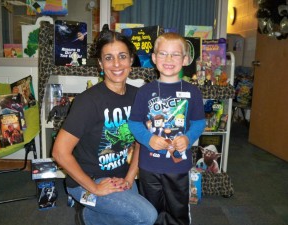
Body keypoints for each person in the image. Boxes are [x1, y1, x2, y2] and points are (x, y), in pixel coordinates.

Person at [52, 25, 157, 225]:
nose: (116, 64)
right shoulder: (88, 102)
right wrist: (94, 187)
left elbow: (139, 143)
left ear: (131, 59)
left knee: (130, 217)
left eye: (122, 56)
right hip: (85, 182)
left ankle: (91, 217)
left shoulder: (138, 97)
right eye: (108, 58)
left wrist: (129, 177)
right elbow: (59, 153)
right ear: (100, 63)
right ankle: (87, 216)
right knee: (147, 216)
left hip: (119, 177)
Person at [128, 32, 206, 225]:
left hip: (178, 165)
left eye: (175, 54)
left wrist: (188, 139)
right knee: (150, 212)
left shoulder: (193, 92)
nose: (169, 59)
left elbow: (199, 122)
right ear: (154, 58)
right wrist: (148, 139)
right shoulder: (144, 91)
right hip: (149, 166)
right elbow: (134, 123)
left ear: (186, 59)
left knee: (177, 211)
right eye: (163, 54)